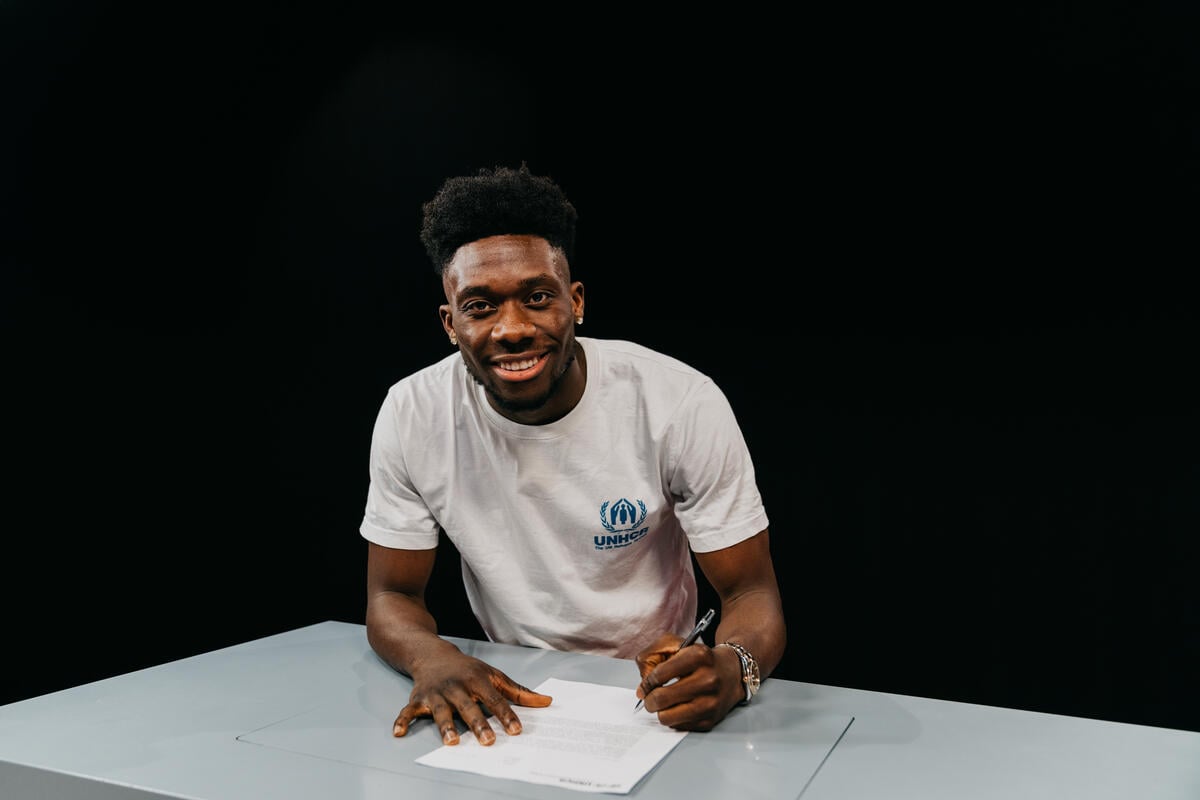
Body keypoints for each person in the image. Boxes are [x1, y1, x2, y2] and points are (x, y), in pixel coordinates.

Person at [360, 163, 786, 746]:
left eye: (537, 298)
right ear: (450, 323)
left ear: (576, 301)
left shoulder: (677, 401)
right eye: (479, 306)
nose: (512, 329)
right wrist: (431, 659)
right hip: (512, 690)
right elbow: (391, 597)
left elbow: (751, 594)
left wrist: (736, 668)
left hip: (656, 689)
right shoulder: (413, 413)